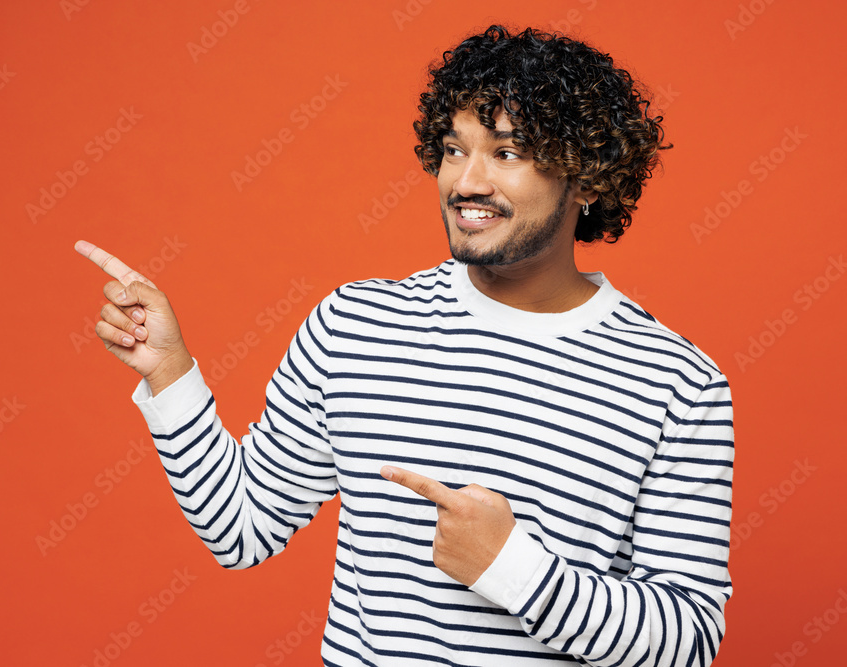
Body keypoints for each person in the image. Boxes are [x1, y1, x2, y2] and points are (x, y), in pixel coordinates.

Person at [75, 24, 734, 666]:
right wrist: (170, 371)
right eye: (453, 148)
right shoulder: (354, 325)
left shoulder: (677, 384)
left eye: (506, 152)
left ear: (588, 179)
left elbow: (687, 638)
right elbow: (240, 527)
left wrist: (514, 569)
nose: (466, 182)